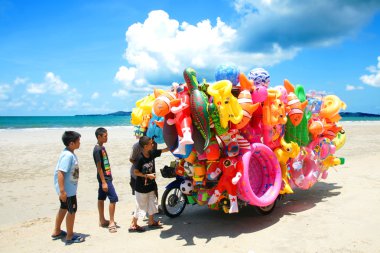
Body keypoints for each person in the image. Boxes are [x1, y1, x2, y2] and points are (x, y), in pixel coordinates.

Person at [129, 136, 169, 232]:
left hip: (151, 185)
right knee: (140, 206)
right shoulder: (139, 158)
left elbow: (164, 150)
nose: (153, 144)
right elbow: (136, 172)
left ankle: (151, 222)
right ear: (145, 146)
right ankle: (133, 224)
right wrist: (147, 175)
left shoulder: (151, 154)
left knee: (153, 202)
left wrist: (175, 144)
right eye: (151, 143)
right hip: (141, 187)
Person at [52, 131, 85, 244]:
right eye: (78, 141)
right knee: (72, 210)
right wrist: (62, 191)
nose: (79, 143)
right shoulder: (68, 155)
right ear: (71, 143)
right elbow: (61, 172)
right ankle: (70, 235)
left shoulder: (68, 153)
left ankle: (56, 231)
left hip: (68, 189)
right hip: (68, 191)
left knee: (64, 208)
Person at [93, 127, 118, 233]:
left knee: (101, 197)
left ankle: (102, 220)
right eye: (105, 136)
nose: (107, 137)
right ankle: (111, 222)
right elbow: (98, 167)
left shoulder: (101, 147)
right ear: (99, 137)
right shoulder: (97, 149)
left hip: (106, 177)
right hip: (104, 178)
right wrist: (104, 182)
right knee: (113, 198)